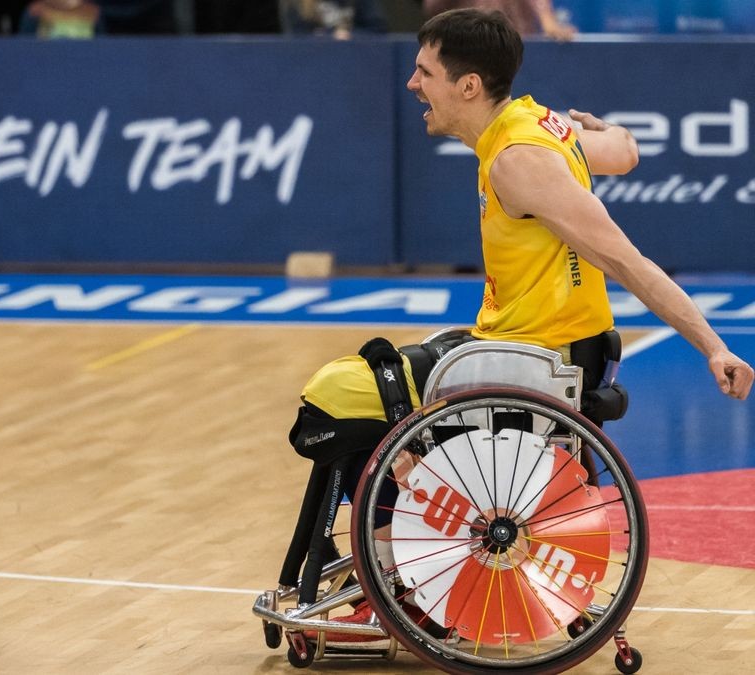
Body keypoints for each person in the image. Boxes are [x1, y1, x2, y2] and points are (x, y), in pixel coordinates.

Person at [282, 6, 752, 636]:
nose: (411, 83)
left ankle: (397, 581)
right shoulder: (538, 123)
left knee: (334, 398)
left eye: (424, 72)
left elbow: (627, 260)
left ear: (468, 86)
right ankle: (400, 572)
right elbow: (627, 152)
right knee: (370, 385)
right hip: (526, 347)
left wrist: (713, 346)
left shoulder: (519, 160)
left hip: (531, 361)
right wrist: (596, 129)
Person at [423, 0, 576, 40]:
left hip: (516, 48)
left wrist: (548, 22)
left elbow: (540, 5)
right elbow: (432, 8)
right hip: (468, 46)